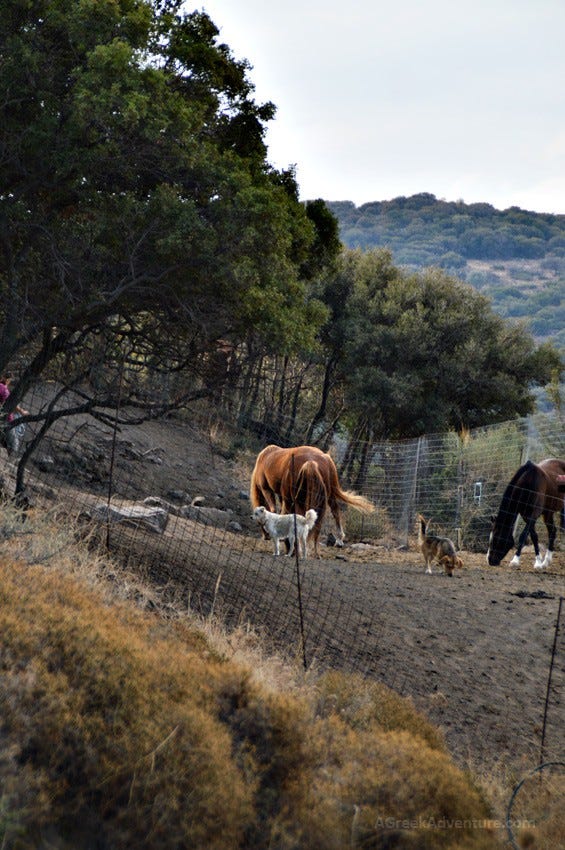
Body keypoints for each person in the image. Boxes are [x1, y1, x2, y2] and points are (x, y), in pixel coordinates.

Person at [0, 371, 29, 455]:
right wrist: (22, 412)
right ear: (8, 380)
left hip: (3, 417)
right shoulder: (5, 390)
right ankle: (9, 458)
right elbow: (11, 404)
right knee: (15, 445)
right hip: (6, 419)